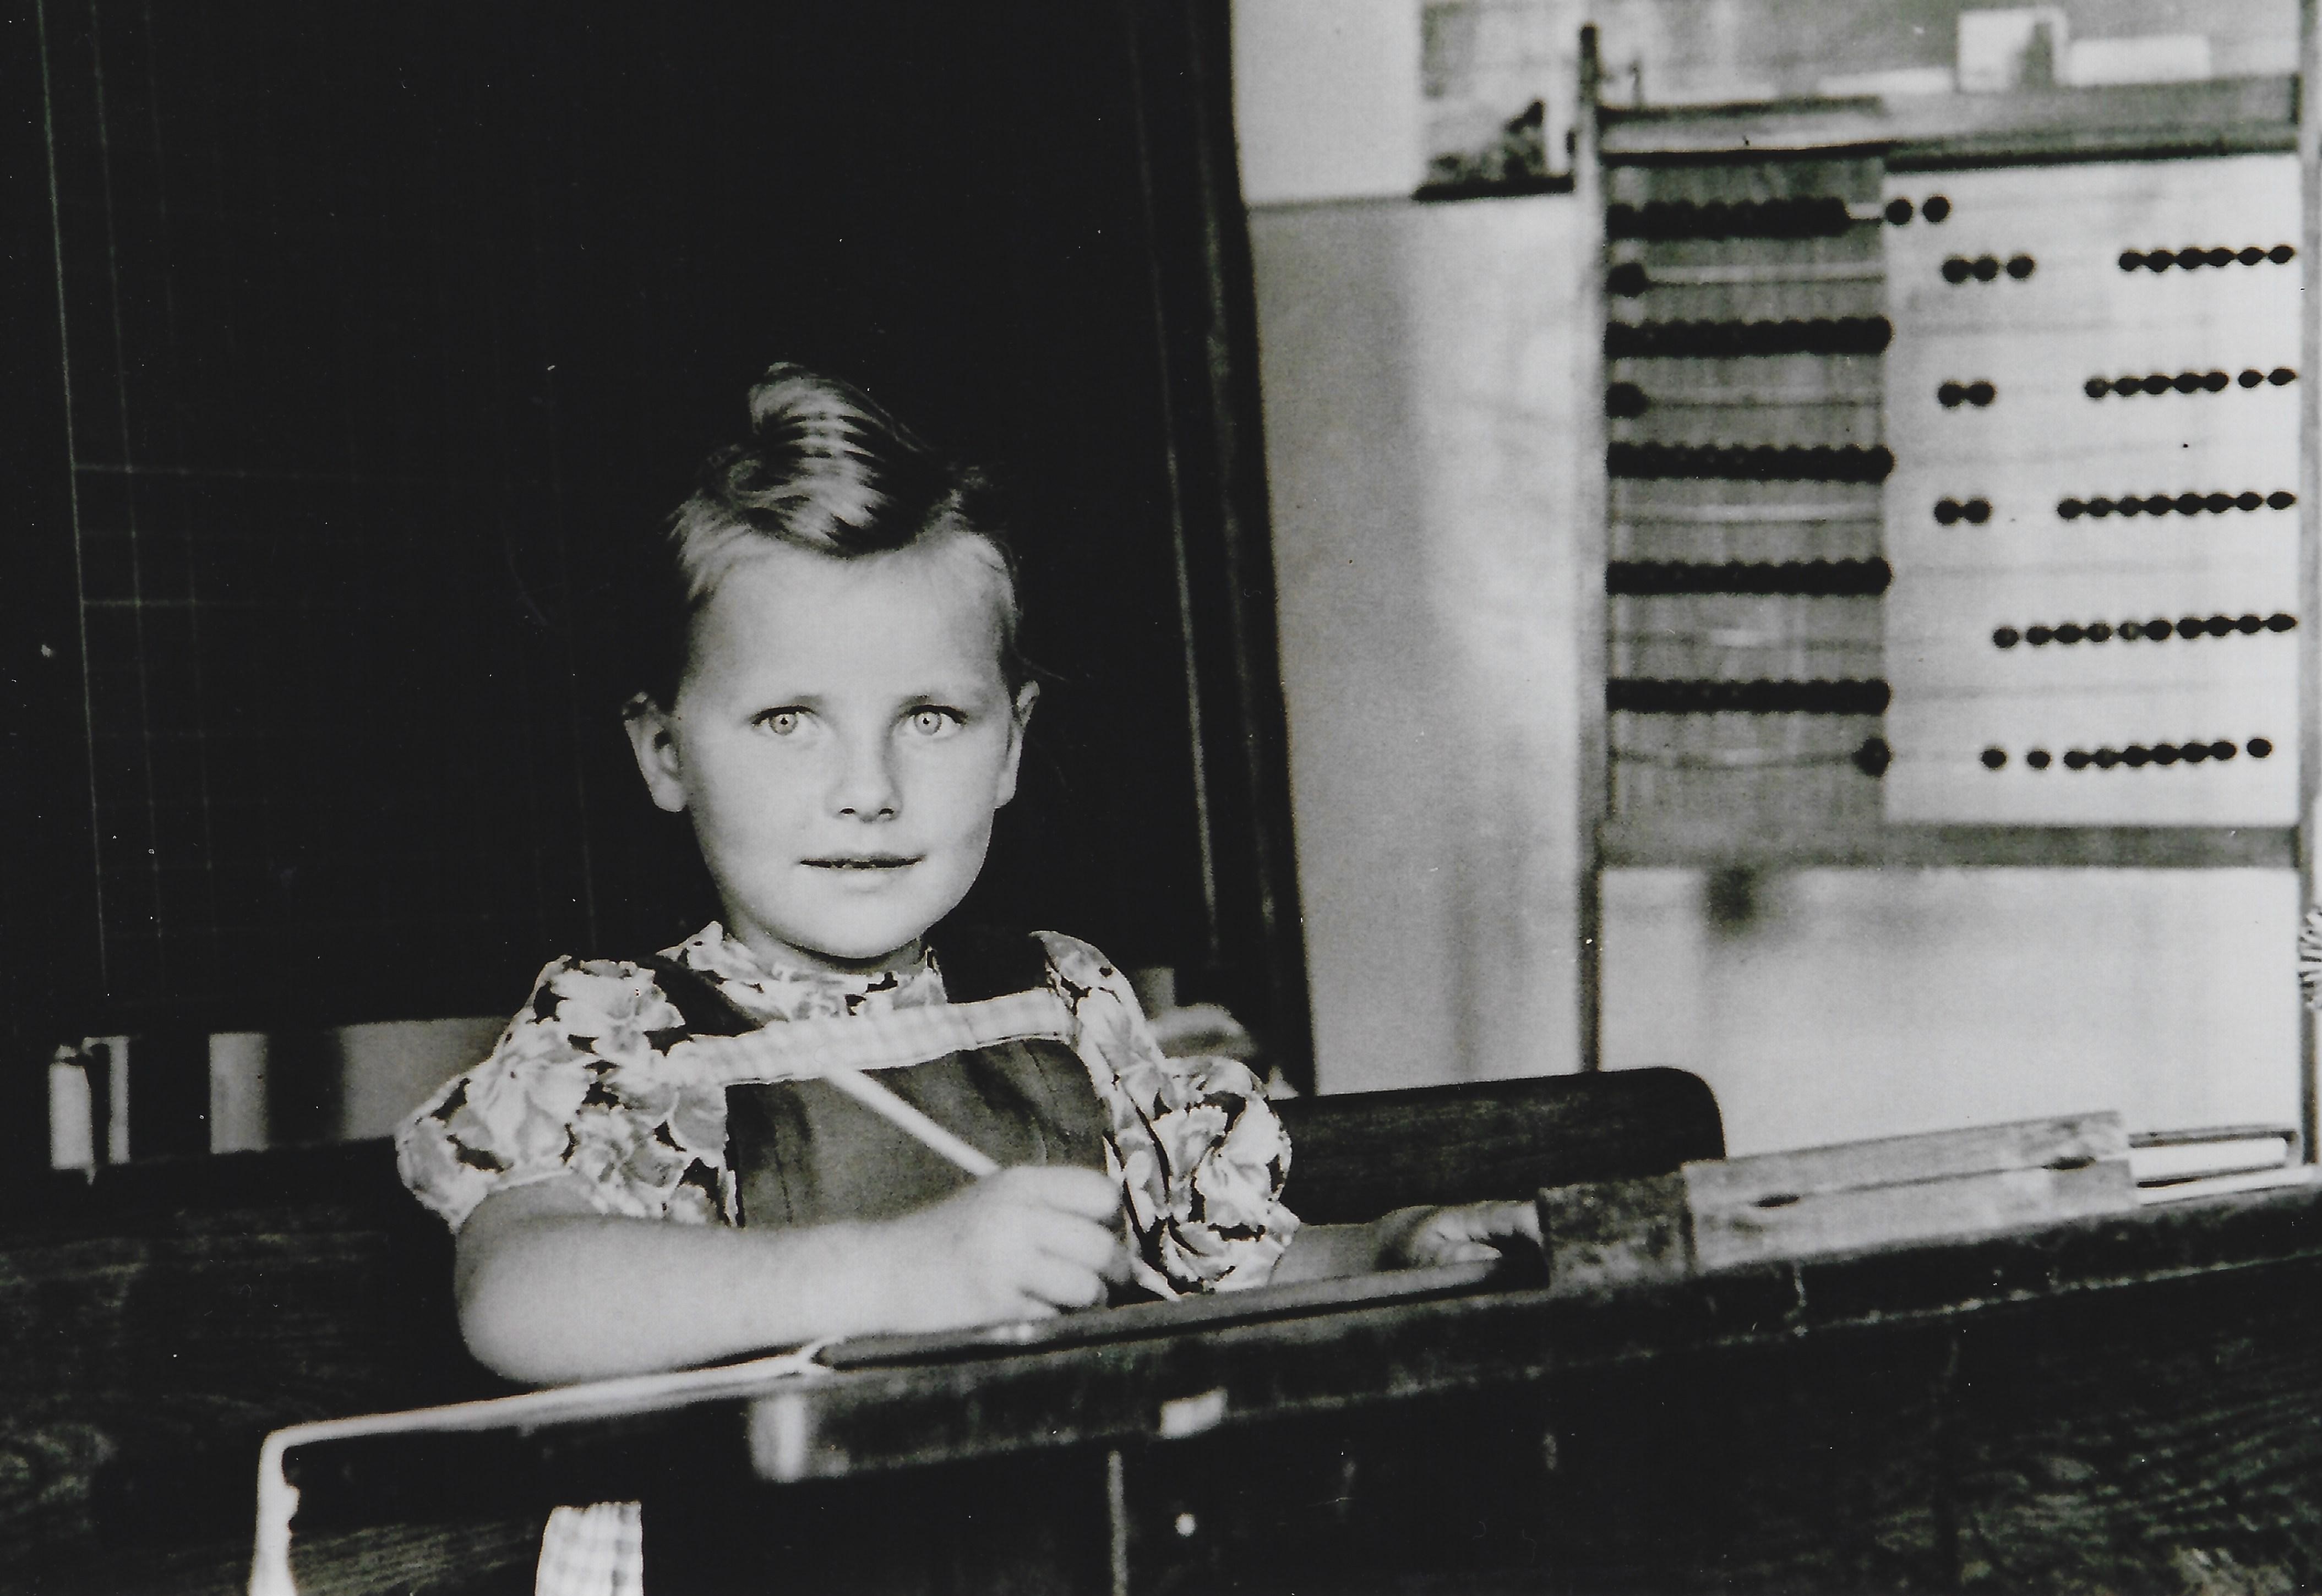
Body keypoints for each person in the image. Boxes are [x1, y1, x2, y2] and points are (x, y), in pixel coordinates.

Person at [394, 363, 1538, 1588]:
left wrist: (1390, 1252)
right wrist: (892, 1271)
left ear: (1013, 743)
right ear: (666, 752)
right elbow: (514, 1293)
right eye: (788, 719)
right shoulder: (623, 1032)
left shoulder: (1064, 1002)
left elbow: (1224, 1265)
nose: (869, 786)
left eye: (932, 716)